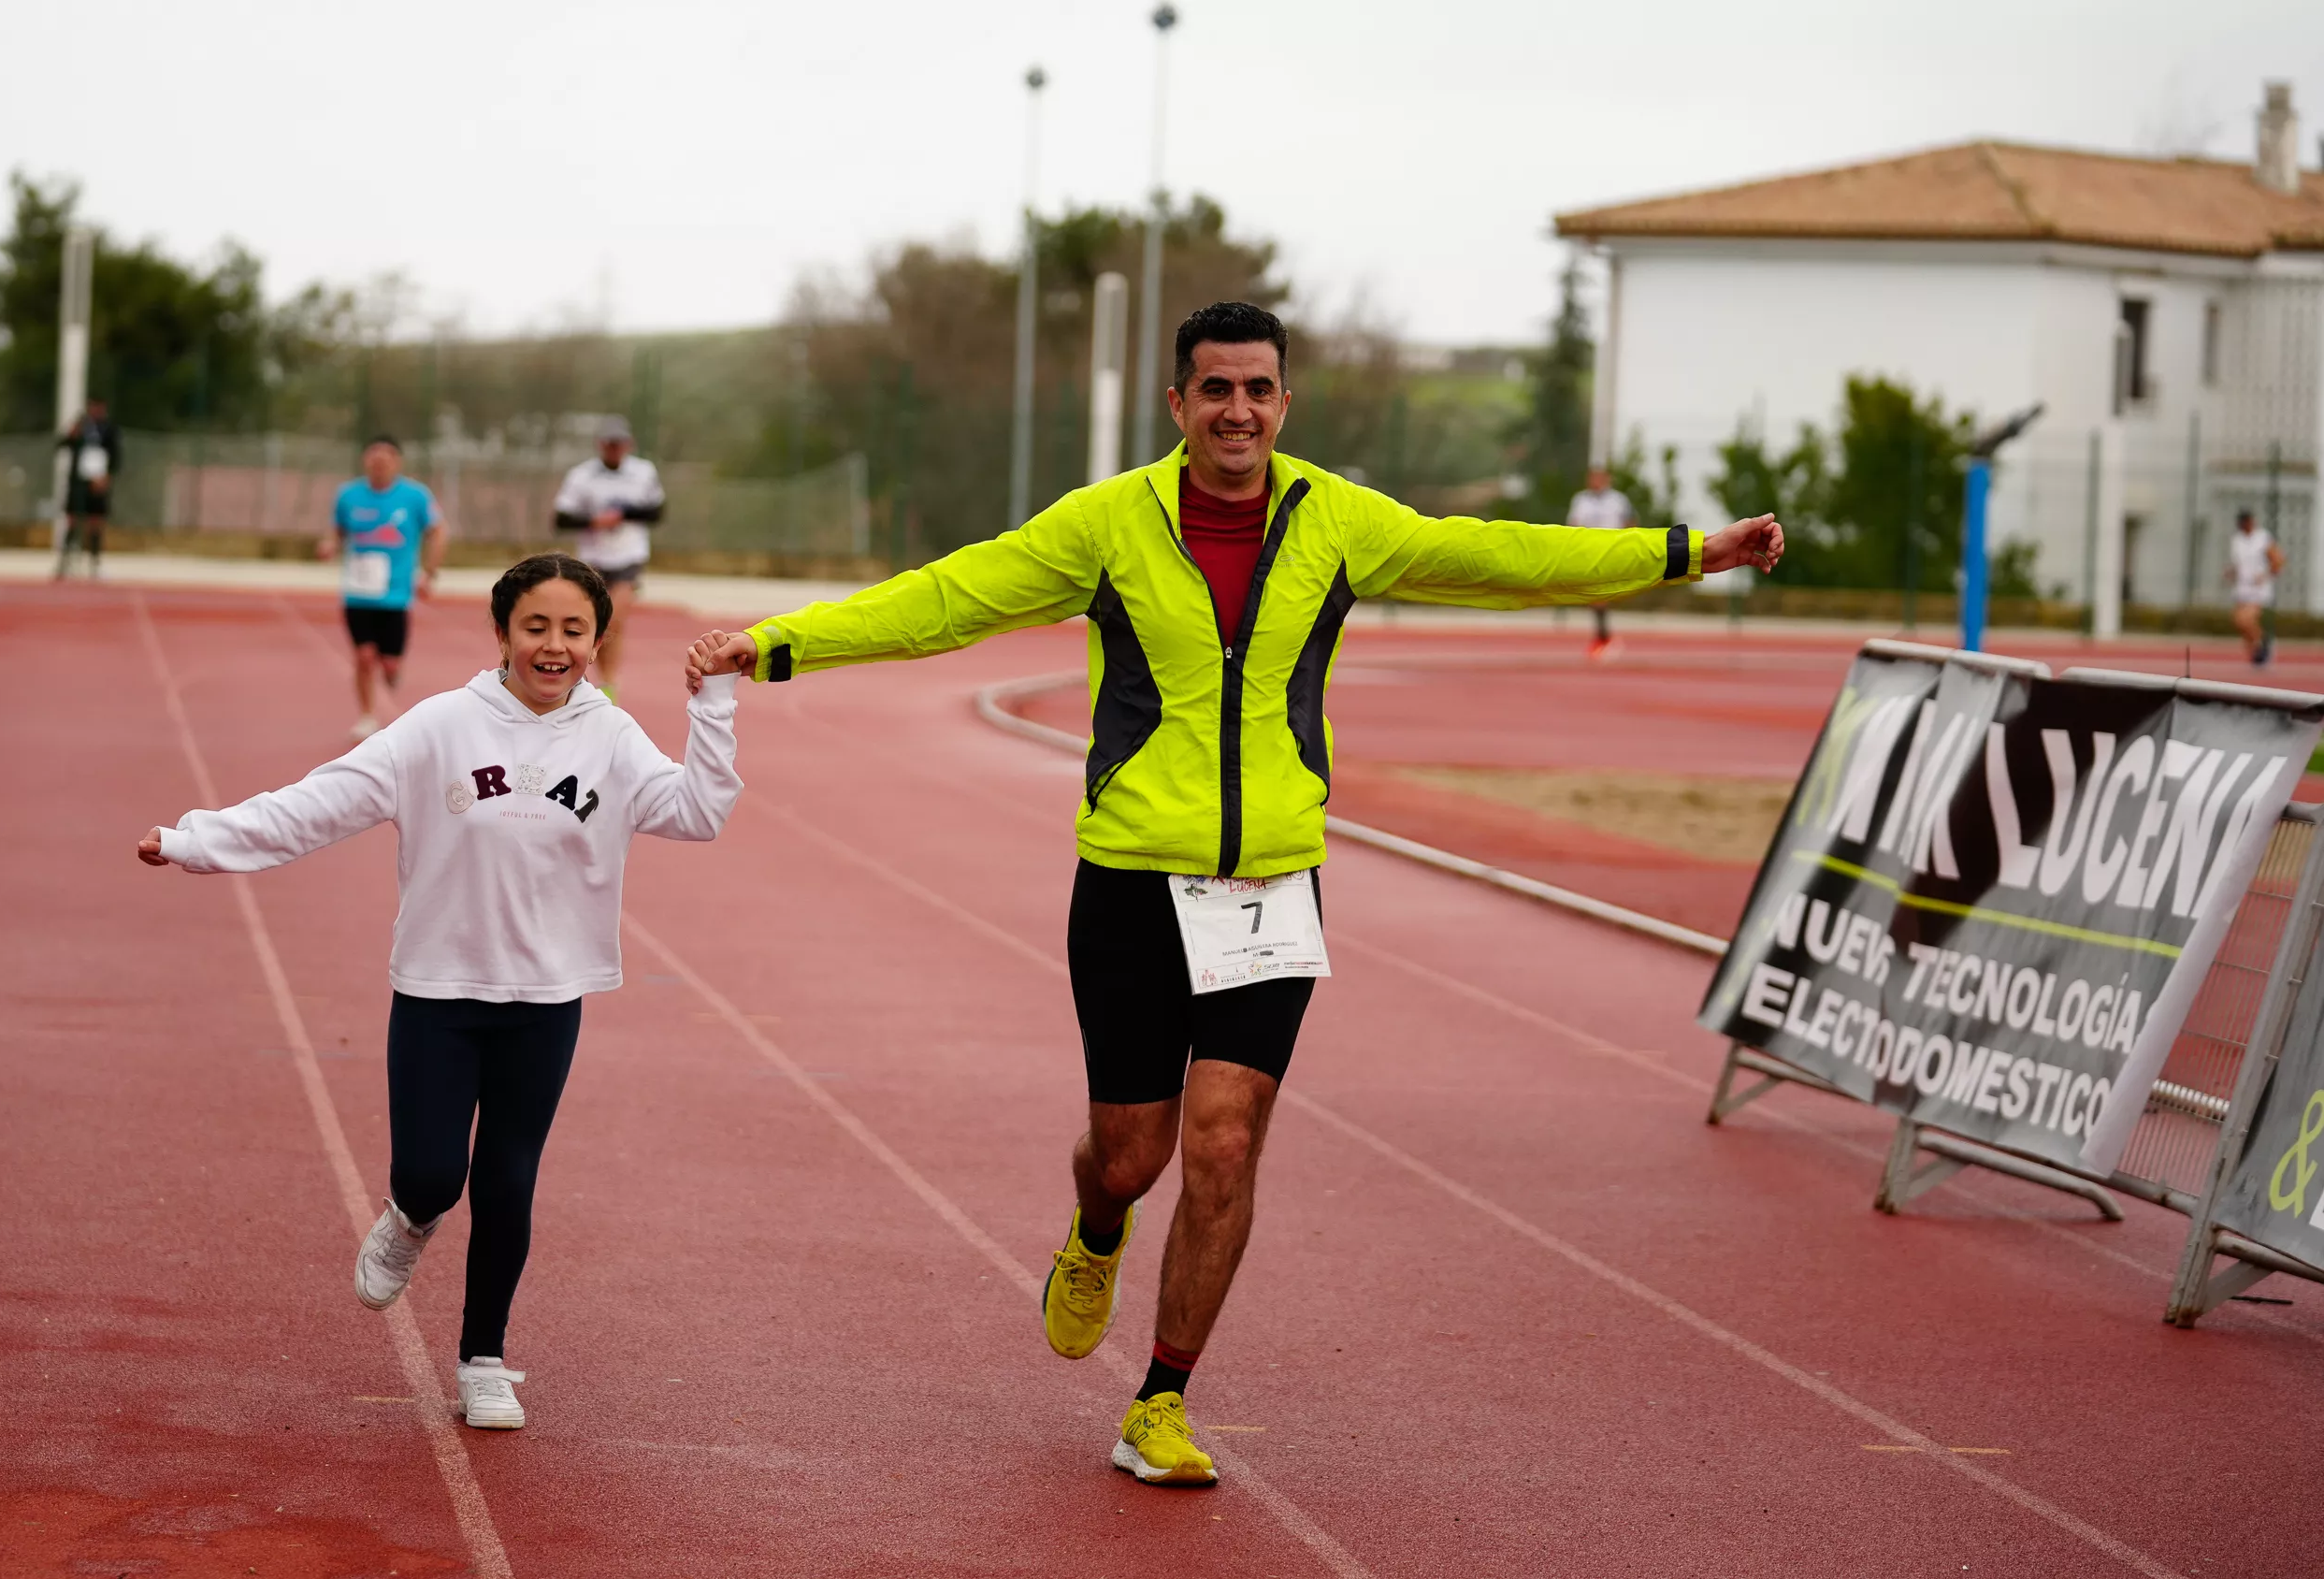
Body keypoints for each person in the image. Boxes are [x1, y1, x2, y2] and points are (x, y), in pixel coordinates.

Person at [686, 301, 1783, 1486]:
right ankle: (1096, 1229)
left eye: (1259, 389)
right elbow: (952, 596)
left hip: (1270, 881)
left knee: (1221, 1142)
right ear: (1179, 405)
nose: (1238, 411)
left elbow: (1506, 554)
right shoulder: (1109, 523)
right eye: (1216, 389)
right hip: (1130, 880)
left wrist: (1691, 552)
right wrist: (784, 642)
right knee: (1132, 1154)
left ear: (1285, 403)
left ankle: (1161, 1396)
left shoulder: (1338, 520)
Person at [138, 552, 744, 1430]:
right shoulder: (439, 727)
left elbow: (699, 812)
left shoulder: (610, 738)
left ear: (597, 640)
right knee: (431, 1173)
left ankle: (484, 1357)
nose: (554, 646)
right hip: (439, 992)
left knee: (508, 1181)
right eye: (535, 626)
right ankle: (410, 1216)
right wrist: (199, 840)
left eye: (574, 630)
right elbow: (322, 802)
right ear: (501, 632)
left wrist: (715, 704)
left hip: (545, 1001)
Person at [320, 436, 449, 740]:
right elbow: (337, 530)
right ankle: (367, 715)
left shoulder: (415, 496)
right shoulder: (348, 495)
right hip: (358, 592)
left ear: (396, 462)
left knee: (389, 663)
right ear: (365, 461)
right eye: (373, 459)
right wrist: (330, 545)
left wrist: (428, 573)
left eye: (385, 460)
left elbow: (439, 530)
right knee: (364, 657)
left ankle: (392, 670)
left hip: (395, 595)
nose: (379, 465)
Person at [552, 417, 664, 698]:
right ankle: (600, 679)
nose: (614, 449)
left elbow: (657, 512)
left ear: (628, 445)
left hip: (628, 557)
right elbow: (561, 518)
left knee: (614, 618)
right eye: (609, 444)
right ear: (600, 444)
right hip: (593, 559)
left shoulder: (643, 472)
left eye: (619, 444)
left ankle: (610, 684)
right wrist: (594, 521)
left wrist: (623, 515)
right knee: (596, 621)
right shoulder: (581, 476)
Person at [1564, 465, 1637, 660]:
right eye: (1592, 478)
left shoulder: (1618, 500)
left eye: (1599, 478)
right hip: (1589, 552)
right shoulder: (1580, 500)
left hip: (1612, 550)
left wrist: (1628, 546)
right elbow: (1573, 524)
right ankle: (1604, 637)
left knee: (1600, 595)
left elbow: (1630, 523)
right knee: (1596, 596)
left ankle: (1603, 639)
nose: (1595, 481)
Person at [53, 398, 121, 580]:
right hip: (78, 482)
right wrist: (72, 433)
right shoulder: (80, 426)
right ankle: (64, 563)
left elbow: (115, 456)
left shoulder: (109, 429)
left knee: (95, 523)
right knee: (72, 520)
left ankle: (95, 564)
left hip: (97, 481)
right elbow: (61, 444)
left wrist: (106, 477)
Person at [2228, 508, 2283, 667]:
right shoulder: (2237, 540)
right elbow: (2238, 564)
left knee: (2245, 620)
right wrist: (2230, 573)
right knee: (2239, 624)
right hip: (2242, 587)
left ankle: (2263, 645)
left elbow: (2277, 561)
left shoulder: (2263, 538)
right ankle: (2258, 652)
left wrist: (2264, 576)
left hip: (2258, 588)